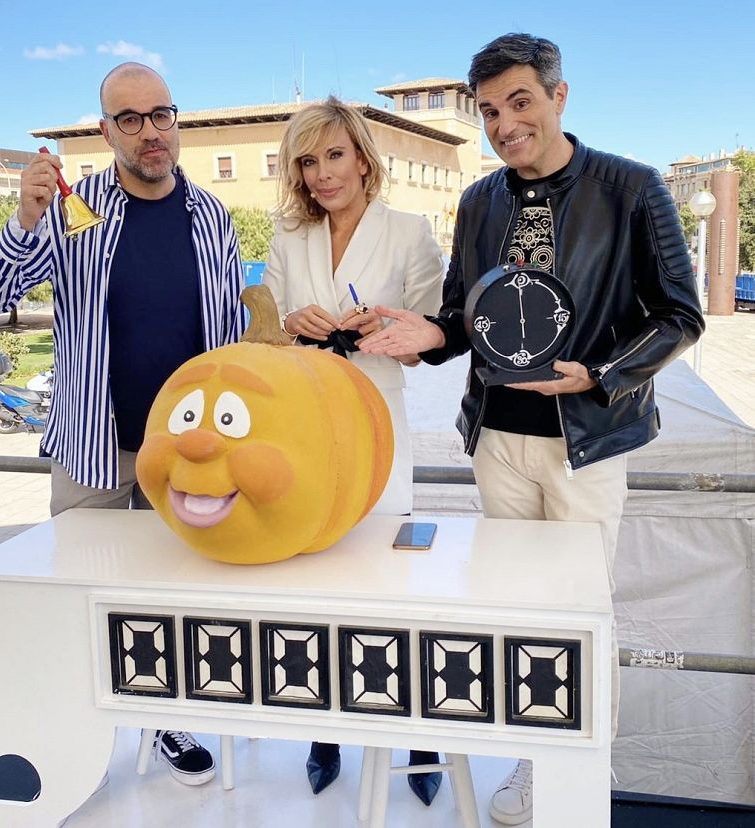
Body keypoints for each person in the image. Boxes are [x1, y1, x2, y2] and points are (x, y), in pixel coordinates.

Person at [359, 33, 704, 825]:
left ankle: (581, 776)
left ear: (559, 96)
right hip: (498, 441)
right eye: (488, 111)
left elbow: (680, 315)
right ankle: (531, 761)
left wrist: (604, 376)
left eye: (520, 102)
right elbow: (463, 316)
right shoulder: (479, 202)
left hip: (586, 441)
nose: (504, 125)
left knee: (585, 614)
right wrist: (427, 336)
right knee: (521, 618)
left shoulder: (633, 187)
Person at [0, 62, 245, 788]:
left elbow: (227, 335)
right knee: (79, 599)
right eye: (131, 119)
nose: (151, 132)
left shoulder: (212, 216)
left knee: (170, 599)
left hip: (184, 454)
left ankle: (164, 719)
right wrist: (26, 219)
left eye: (162, 114)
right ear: (105, 131)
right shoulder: (70, 207)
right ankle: (73, 740)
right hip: (91, 445)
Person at [260, 97, 445, 805]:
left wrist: (396, 325)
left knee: (393, 581)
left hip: (379, 423)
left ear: (363, 158)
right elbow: (263, 329)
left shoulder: (409, 232)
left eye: (333, 155)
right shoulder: (287, 235)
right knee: (320, 576)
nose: (322, 174)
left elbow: (434, 336)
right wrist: (289, 324)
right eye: (307, 162)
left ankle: (421, 729)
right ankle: (326, 729)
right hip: (306, 425)